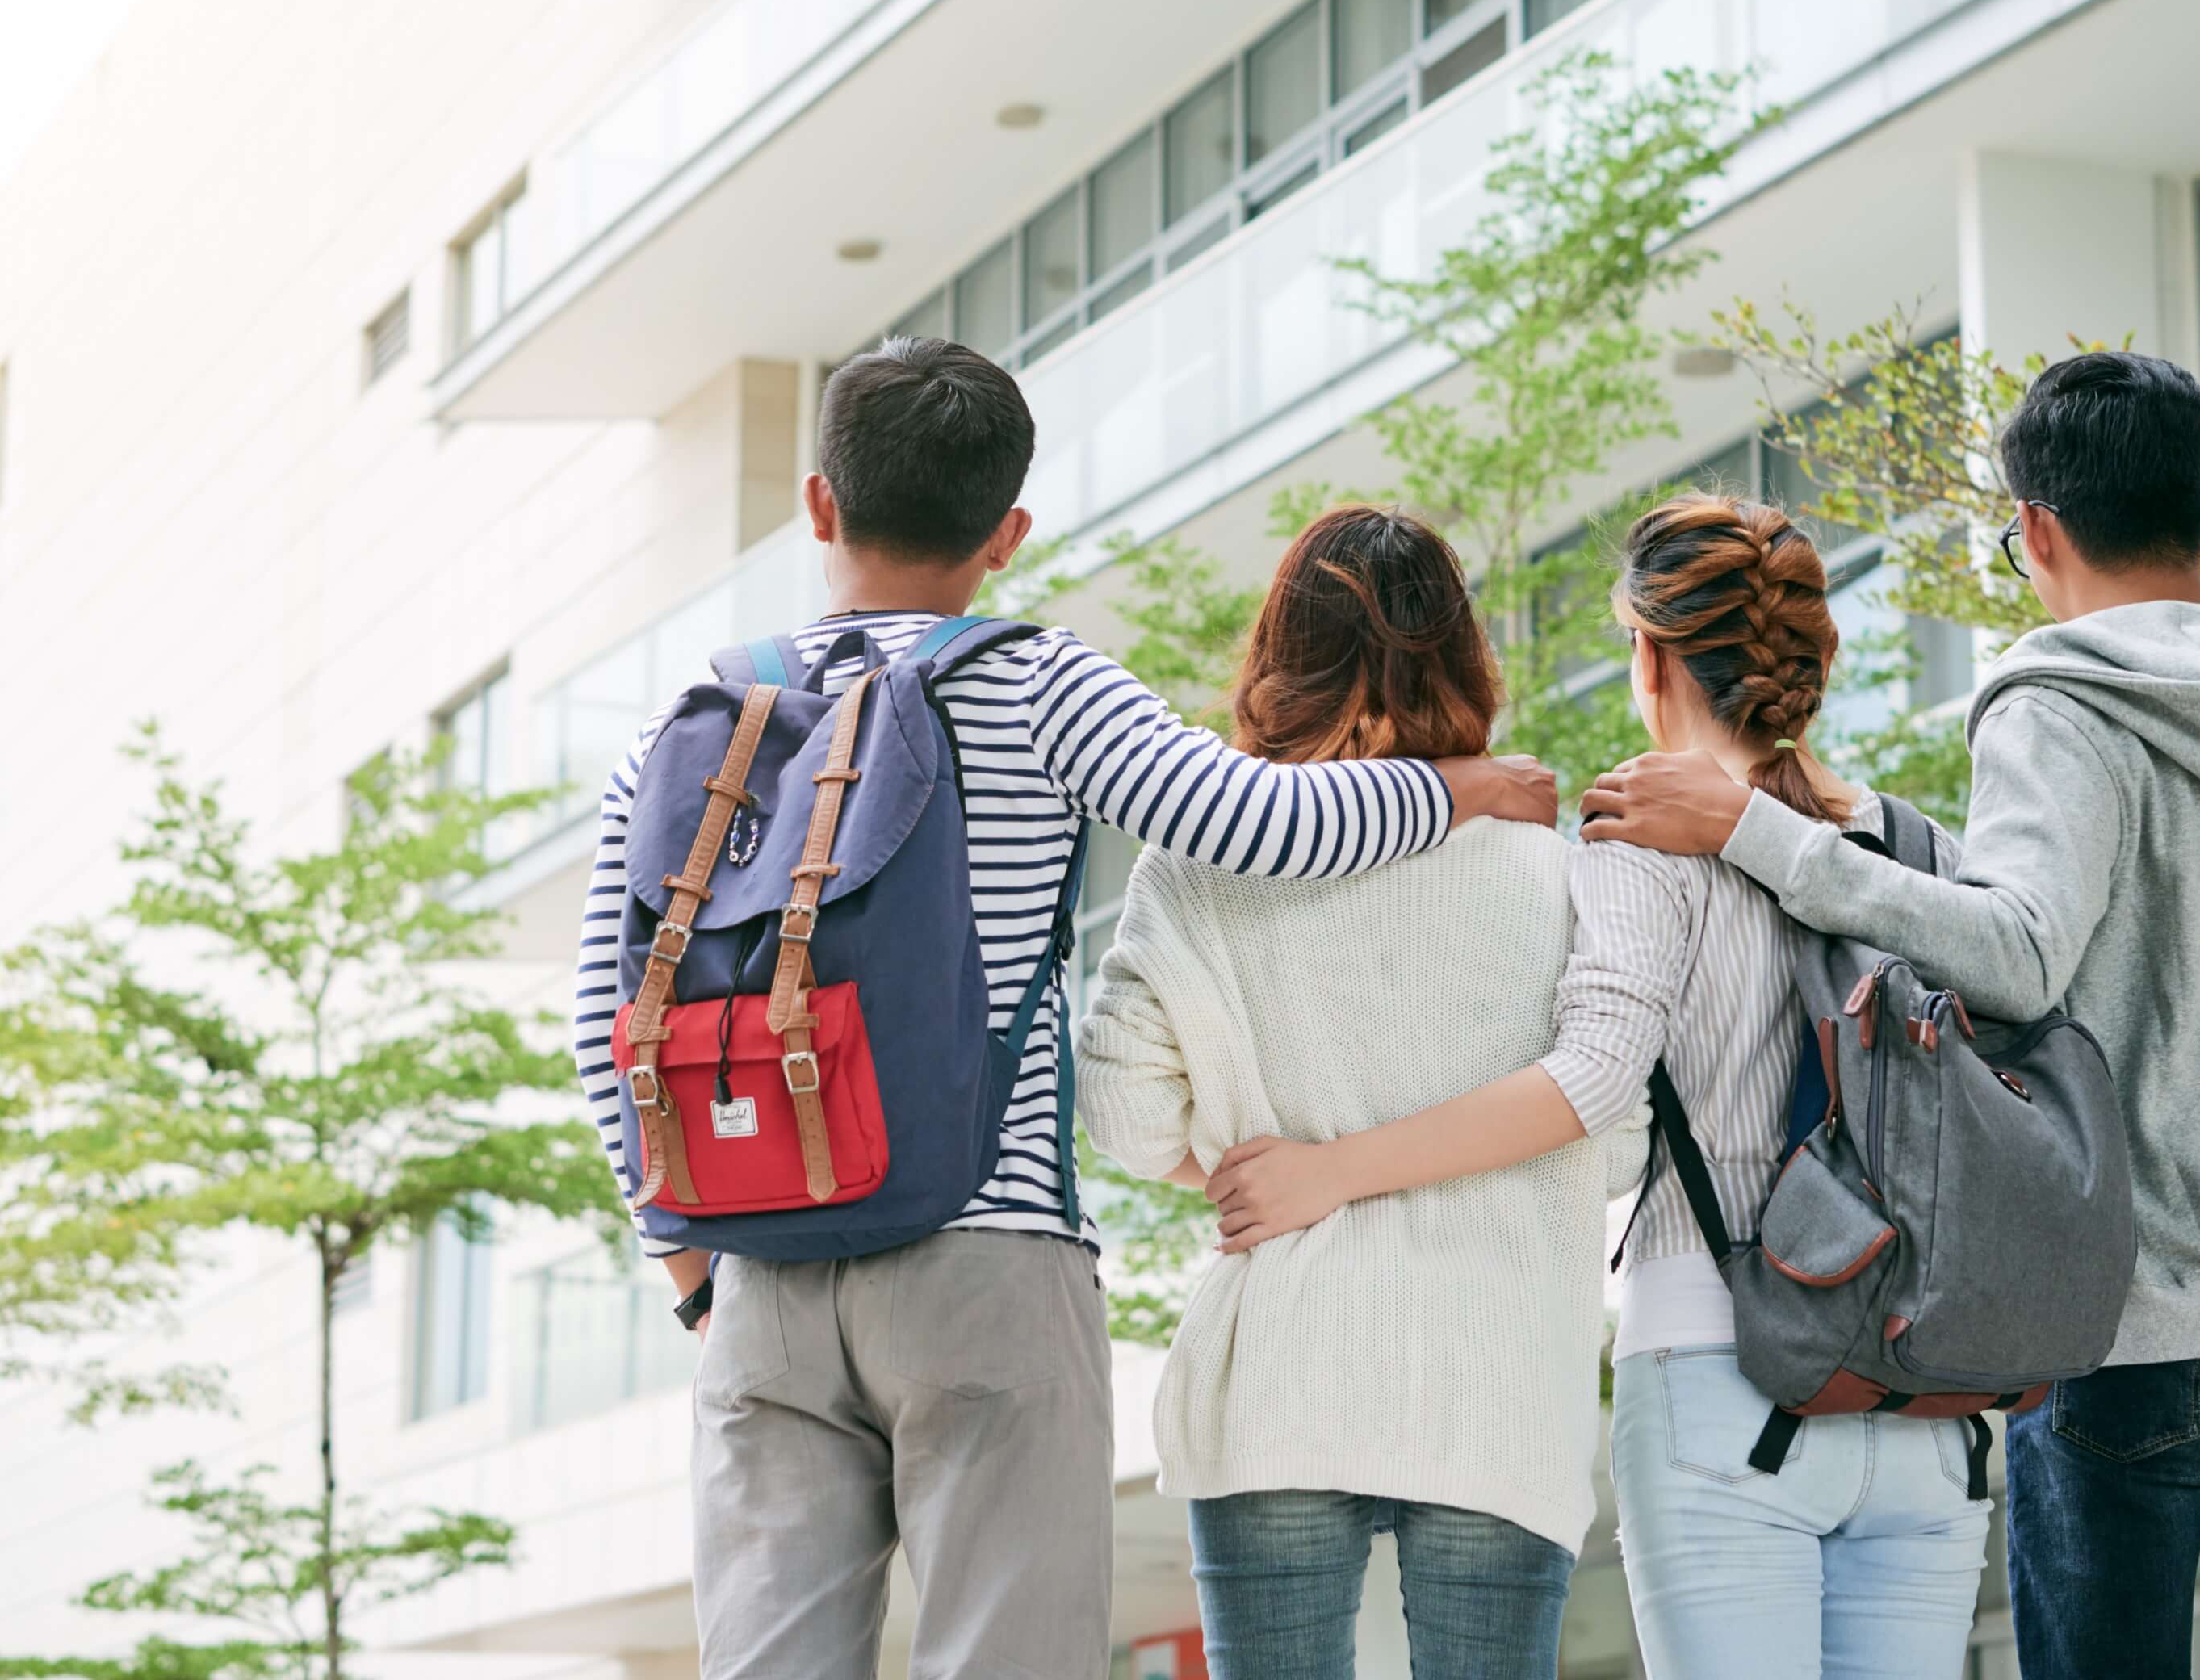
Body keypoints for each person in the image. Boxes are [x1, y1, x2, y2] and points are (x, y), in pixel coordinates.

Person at [568, 337, 1557, 1680]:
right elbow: (1256, 821)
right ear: (1009, 534)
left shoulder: (686, 725)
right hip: (988, 1257)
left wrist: (701, 1287)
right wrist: (1462, 789)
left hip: (760, 1276)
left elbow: (602, 1034)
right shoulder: (1033, 681)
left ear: (820, 504)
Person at [1568, 353, 2200, 1680]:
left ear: (2033, 530)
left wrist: (1761, 831)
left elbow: (2022, 956)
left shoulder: (2057, 704)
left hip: (2135, 1315)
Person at [1203, 493, 1996, 1678]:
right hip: (1929, 1408)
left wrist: (1330, 1173)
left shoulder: (1640, 835)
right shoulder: (1912, 847)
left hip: (1729, 1388)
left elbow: (1589, 1082)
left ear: (1650, 652)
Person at [1075, 505, 1644, 1680]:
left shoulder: (1201, 865)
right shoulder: (1562, 872)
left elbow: (1126, 1112)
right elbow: (1624, 1131)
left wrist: (1262, 1178)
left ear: (1283, 657)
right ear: (1461, 657)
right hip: (1499, 1378)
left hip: (1279, 1370)